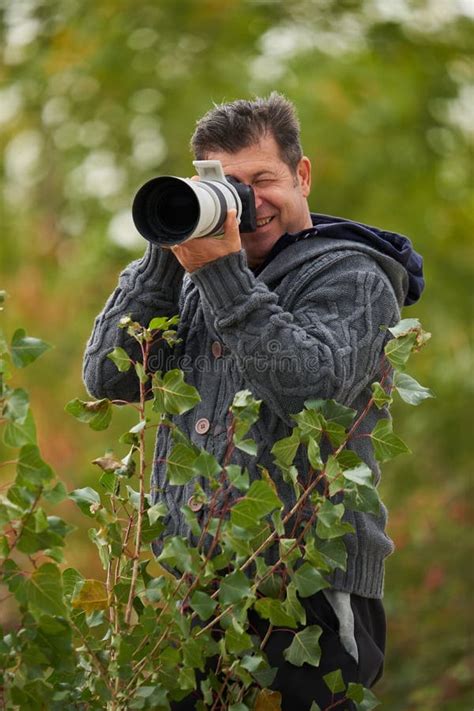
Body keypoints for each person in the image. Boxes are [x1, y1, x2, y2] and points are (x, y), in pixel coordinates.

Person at [83, 93, 424, 709]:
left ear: (303, 174)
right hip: (191, 588)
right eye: (230, 187)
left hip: (307, 592)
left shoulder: (351, 276)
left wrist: (218, 272)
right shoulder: (196, 274)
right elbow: (109, 381)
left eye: (263, 180)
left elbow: (310, 388)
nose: (250, 203)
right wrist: (167, 252)